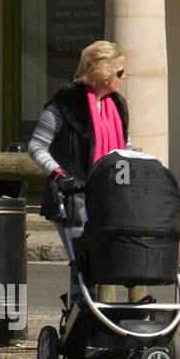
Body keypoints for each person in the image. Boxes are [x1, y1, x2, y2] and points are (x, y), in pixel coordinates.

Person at [28, 41, 131, 268]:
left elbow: (126, 145)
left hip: (110, 195)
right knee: (83, 264)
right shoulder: (64, 105)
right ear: (104, 74)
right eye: (120, 72)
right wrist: (59, 174)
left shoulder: (118, 106)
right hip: (72, 198)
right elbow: (36, 146)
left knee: (106, 264)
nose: (124, 77)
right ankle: (82, 303)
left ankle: (97, 304)